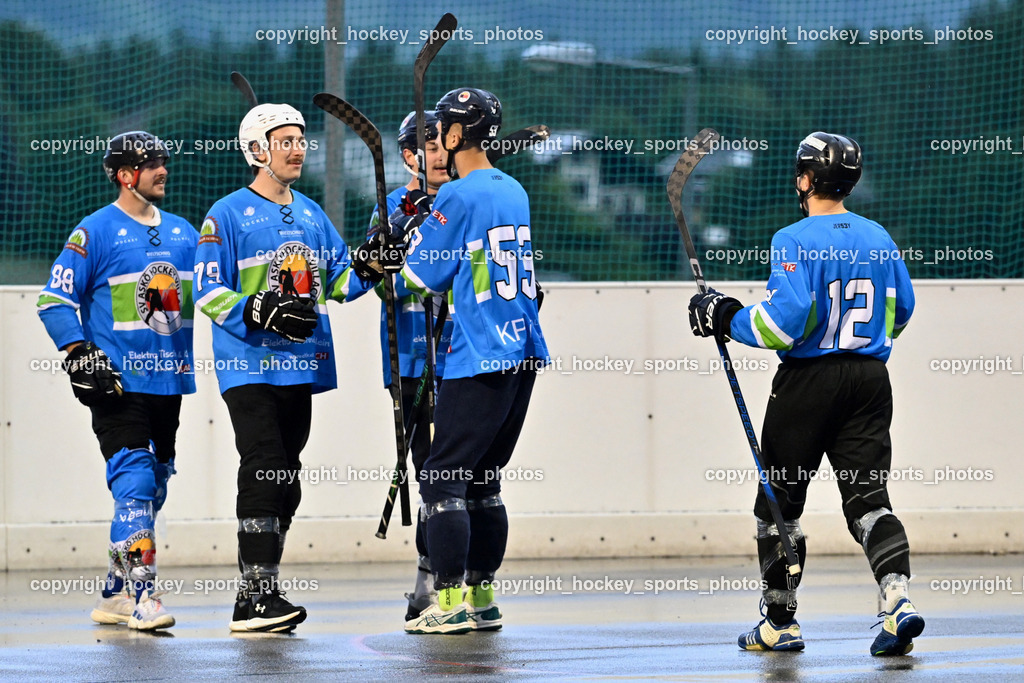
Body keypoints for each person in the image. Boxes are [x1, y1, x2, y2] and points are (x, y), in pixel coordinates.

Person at [687, 132, 922, 656]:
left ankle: (780, 622)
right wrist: (864, 345)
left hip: (807, 385)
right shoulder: (878, 237)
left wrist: (721, 315)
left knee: (779, 505)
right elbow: (901, 309)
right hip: (869, 381)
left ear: (806, 179)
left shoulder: (793, 239)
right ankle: (898, 603)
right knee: (868, 500)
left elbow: (781, 327)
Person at [356, 88, 549, 635]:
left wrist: (393, 247)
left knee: (442, 480)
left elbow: (420, 277)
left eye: (442, 129)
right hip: (523, 350)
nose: (436, 139)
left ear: (459, 135)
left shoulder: (457, 199)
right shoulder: (512, 189)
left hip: (477, 354)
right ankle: (483, 599)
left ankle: (448, 602)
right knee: (485, 479)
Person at [193, 101, 374, 633]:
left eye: (301, 140)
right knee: (265, 465)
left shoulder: (313, 214)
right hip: (249, 366)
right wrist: (256, 307)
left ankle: (259, 592)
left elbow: (340, 283)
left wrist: (372, 262)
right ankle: (256, 596)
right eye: (286, 141)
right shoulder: (225, 214)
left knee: (286, 479)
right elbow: (205, 289)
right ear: (257, 151)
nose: (298, 148)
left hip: (302, 366)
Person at [37, 130, 197, 631]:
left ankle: (112, 590)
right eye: (151, 163)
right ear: (126, 175)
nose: (162, 170)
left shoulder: (185, 234)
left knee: (156, 486)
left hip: (169, 384)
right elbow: (54, 299)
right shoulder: (95, 231)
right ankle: (143, 598)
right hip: (117, 384)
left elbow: (218, 283)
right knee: (135, 482)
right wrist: (78, 352)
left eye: (164, 161)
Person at [365, 111, 454, 623]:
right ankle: (428, 574)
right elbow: (378, 283)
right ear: (407, 156)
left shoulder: (468, 202)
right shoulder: (391, 210)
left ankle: (462, 578)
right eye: (428, 147)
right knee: (429, 469)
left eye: (444, 144)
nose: (439, 154)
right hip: (412, 358)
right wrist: (407, 246)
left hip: (464, 357)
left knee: (467, 471)